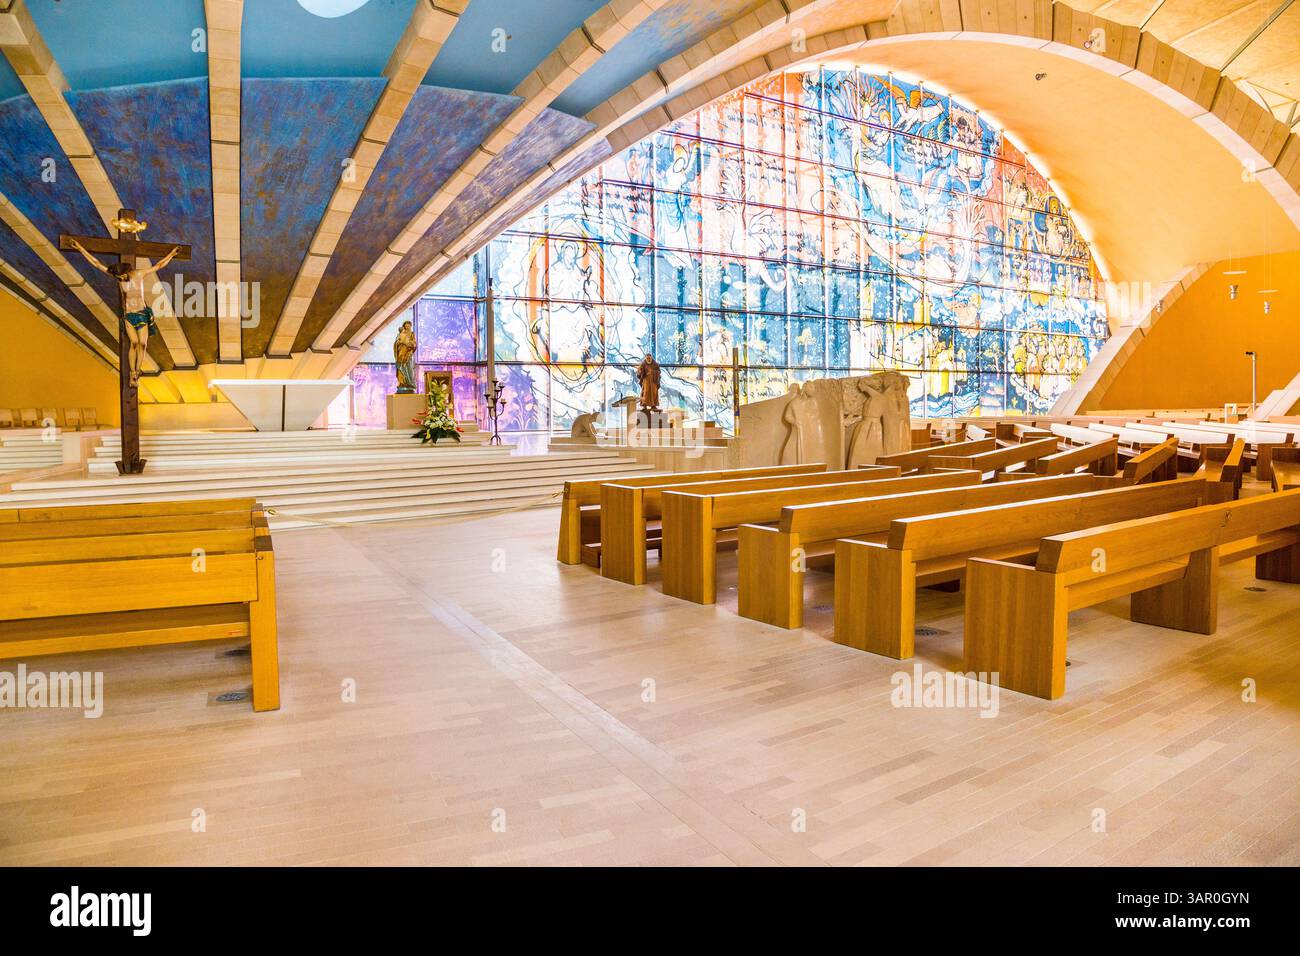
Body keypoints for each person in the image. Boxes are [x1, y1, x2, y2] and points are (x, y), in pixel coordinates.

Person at [69, 240, 181, 385]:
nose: (120, 280)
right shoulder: (118, 277)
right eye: (119, 278)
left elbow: (158, 266)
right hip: (129, 315)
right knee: (134, 343)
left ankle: (137, 372)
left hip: (141, 313)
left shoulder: (139, 274)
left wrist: (171, 254)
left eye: (122, 277)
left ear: (127, 272)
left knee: (143, 344)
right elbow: (96, 263)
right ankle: (132, 372)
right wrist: (80, 248)